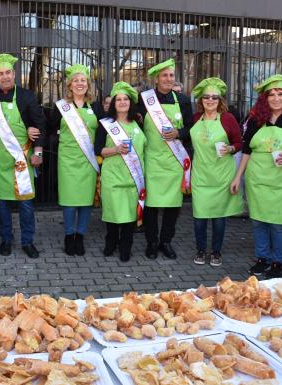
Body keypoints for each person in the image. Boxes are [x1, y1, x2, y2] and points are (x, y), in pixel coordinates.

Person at [230, 74, 282, 279]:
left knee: (279, 225)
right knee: (258, 222)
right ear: (265, 99)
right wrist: (238, 177)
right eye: (271, 94)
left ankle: (279, 262)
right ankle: (262, 259)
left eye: (280, 94)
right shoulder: (257, 120)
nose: (276, 98)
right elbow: (246, 150)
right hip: (257, 180)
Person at [0, 53, 46, 258]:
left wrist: (39, 151)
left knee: (25, 205)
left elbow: (40, 124)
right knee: (2, 204)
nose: (5, 77)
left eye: (8, 72)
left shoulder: (26, 96)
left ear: (14, 74)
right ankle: (6, 239)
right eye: (1, 74)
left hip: (22, 159)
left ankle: (28, 241)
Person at [137, 58, 193, 259]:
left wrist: (179, 133)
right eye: (164, 76)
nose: (169, 79)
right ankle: (152, 242)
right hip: (152, 160)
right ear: (156, 79)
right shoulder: (144, 100)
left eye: (171, 75)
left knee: (172, 206)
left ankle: (166, 241)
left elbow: (190, 128)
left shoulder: (184, 101)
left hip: (174, 161)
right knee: (151, 205)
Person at [189, 78, 243, 267]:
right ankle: (201, 250)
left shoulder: (228, 118)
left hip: (221, 175)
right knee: (199, 217)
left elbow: (239, 142)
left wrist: (230, 149)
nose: (210, 100)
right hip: (200, 174)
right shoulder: (195, 118)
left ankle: (216, 252)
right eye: (206, 97)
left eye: (214, 97)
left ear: (220, 100)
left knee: (219, 217)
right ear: (201, 100)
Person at [50, 64, 101, 256]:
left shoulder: (95, 107)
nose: (80, 84)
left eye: (83, 80)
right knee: (70, 200)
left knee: (86, 200)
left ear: (88, 85)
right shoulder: (60, 107)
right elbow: (51, 129)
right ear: (70, 86)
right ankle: (68, 235)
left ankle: (80, 236)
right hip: (67, 160)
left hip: (88, 160)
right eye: (76, 81)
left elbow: (104, 130)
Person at [95, 82, 146, 261]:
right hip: (113, 176)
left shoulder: (139, 122)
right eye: (119, 99)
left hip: (133, 178)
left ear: (130, 103)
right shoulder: (106, 124)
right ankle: (111, 243)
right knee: (112, 213)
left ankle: (126, 247)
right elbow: (98, 150)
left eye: (126, 99)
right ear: (113, 103)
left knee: (130, 216)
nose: (122, 102)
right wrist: (115, 150)